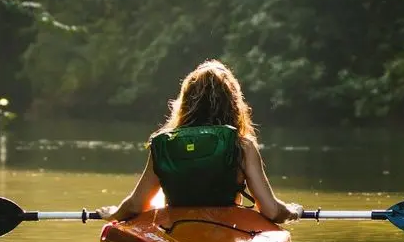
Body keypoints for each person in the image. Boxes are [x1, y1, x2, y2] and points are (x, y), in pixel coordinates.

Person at [96, 60, 303, 223]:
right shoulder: (243, 146)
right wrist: (292, 211)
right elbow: (271, 210)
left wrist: (114, 214)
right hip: (227, 230)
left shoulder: (165, 144)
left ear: (185, 102)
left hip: (176, 230)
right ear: (233, 104)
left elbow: (135, 205)